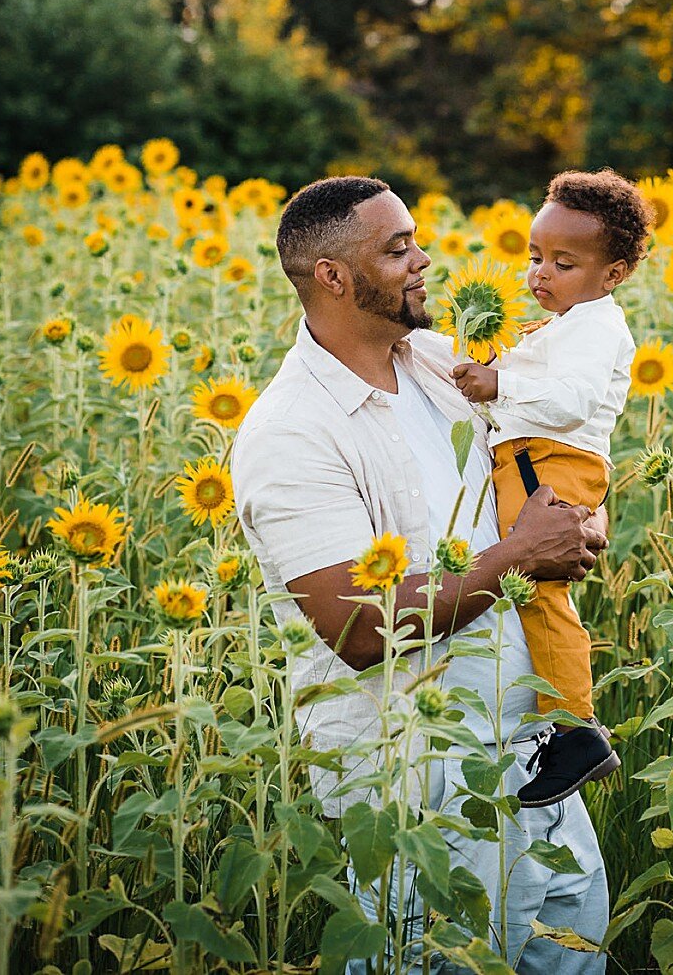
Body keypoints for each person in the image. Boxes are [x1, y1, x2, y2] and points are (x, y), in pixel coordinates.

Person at [230, 176, 611, 972]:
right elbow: (360, 629)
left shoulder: (442, 365)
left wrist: (576, 524)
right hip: (421, 791)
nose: (423, 260)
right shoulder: (290, 432)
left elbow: (540, 473)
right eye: (397, 249)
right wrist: (519, 557)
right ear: (332, 276)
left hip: (533, 759)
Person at [452, 168, 649, 808]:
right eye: (535, 256)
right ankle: (559, 719)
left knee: (539, 589)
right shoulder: (563, 322)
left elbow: (572, 401)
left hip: (555, 461)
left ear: (612, 274)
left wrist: (497, 386)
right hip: (535, 456)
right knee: (525, 583)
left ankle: (575, 728)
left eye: (563, 263)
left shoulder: (597, 327)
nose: (541, 273)